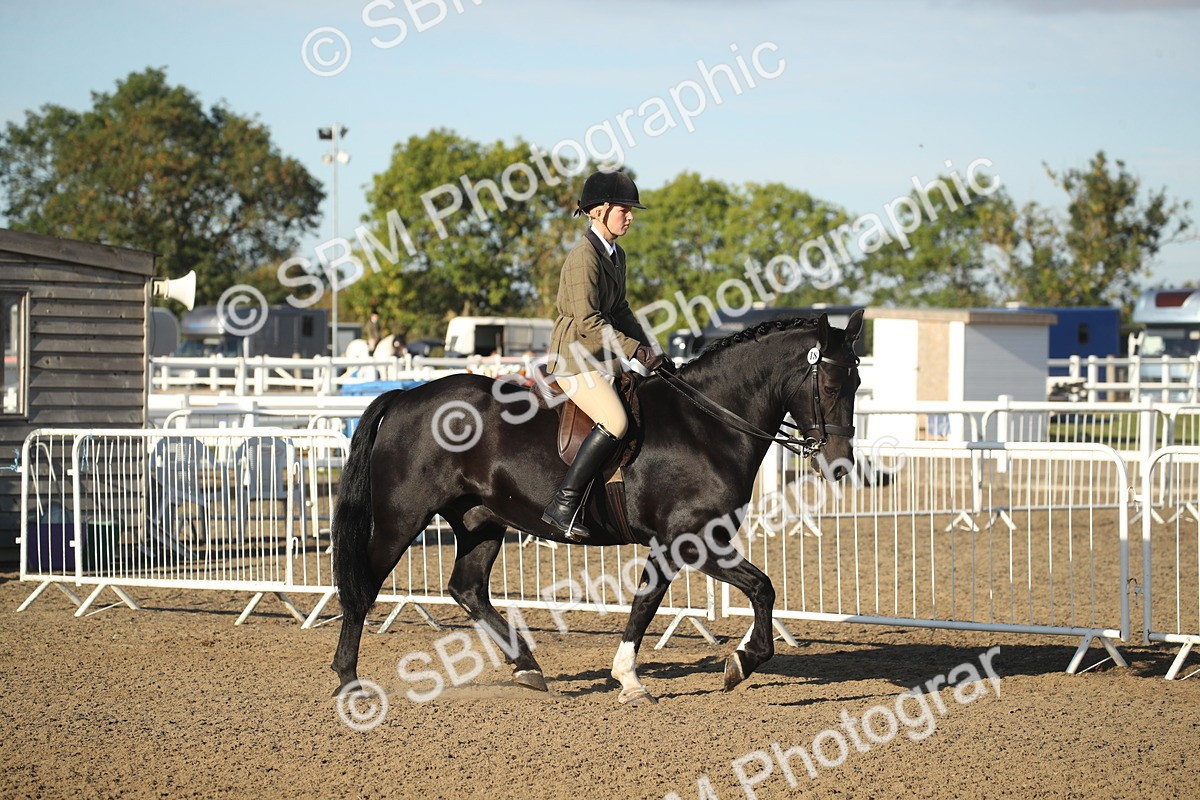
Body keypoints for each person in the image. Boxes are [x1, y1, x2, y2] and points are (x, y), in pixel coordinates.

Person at [541, 170, 669, 540]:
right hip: (574, 357)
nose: (630, 217)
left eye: (631, 211)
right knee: (615, 421)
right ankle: (563, 504)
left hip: (600, 356)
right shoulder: (584, 257)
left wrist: (650, 349)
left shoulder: (616, 254)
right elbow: (588, 320)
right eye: (624, 210)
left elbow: (621, 309)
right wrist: (634, 350)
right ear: (599, 211)